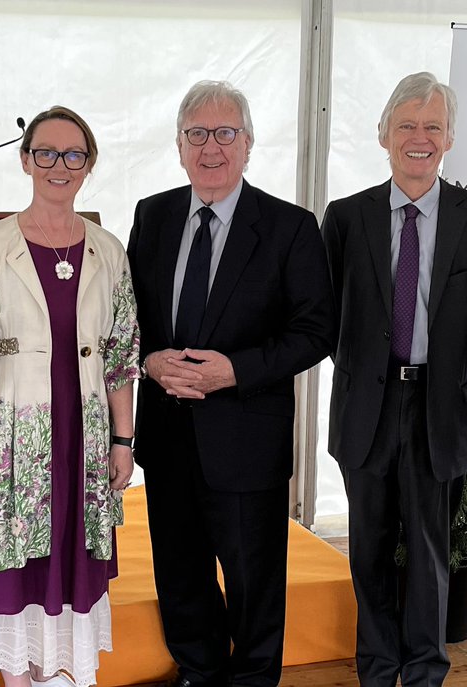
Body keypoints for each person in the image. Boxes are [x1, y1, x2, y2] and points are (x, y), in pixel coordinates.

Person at [126, 80, 335, 687]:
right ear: (179, 145)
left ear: (248, 144)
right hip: (167, 435)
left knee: (253, 580)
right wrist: (148, 360)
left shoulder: (291, 226)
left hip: (246, 440)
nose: (211, 148)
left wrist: (235, 371)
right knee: (180, 573)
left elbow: (316, 330)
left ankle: (252, 679)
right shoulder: (153, 214)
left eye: (225, 134)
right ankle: (199, 670)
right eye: (197, 134)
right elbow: (124, 315)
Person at [321, 71, 467, 687]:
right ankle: (377, 668)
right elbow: (330, 315)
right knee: (369, 549)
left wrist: (438, 372)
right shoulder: (346, 218)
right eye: (406, 125)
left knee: (431, 551)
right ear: (384, 135)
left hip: (439, 406)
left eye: (432, 125)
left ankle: (426, 670)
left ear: (450, 136)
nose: (419, 137)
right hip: (367, 406)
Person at [0, 105, 138, 687]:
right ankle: (23, 676)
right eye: (46, 153)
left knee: (72, 556)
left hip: (86, 435)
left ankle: (64, 674)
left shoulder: (109, 250)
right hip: (12, 437)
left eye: (73, 155)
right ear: (26, 160)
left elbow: (123, 358)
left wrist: (124, 441)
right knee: (15, 556)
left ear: (89, 165)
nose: (59, 165)